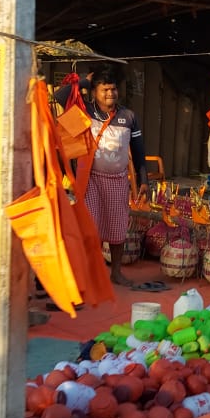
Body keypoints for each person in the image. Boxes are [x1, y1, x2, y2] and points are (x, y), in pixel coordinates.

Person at [83, 68, 147, 287]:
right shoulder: (85, 111)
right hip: (92, 180)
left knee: (117, 228)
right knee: (93, 227)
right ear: (94, 92)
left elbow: (138, 151)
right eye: (105, 89)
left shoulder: (128, 117)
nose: (111, 93)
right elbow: (60, 96)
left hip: (119, 181)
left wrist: (144, 180)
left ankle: (116, 273)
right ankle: (93, 273)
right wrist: (85, 81)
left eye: (113, 89)